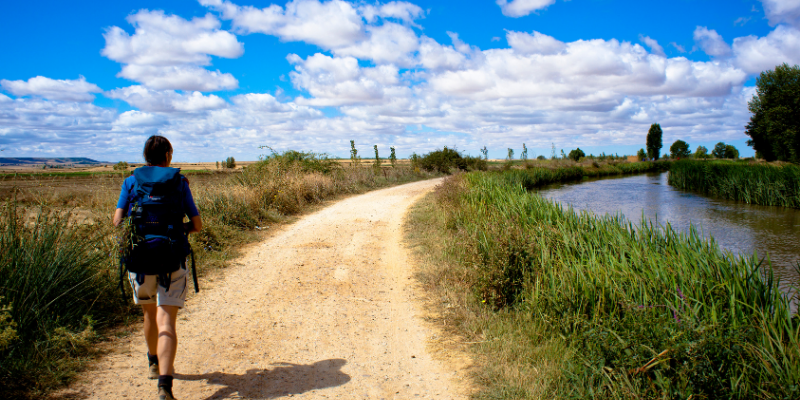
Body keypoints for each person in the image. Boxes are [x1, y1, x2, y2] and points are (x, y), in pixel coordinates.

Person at [113, 135, 202, 400]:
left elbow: (117, 221)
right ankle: (165, 385)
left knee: (149, 316)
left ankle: (153, 363)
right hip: (172, 258)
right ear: (168, 156)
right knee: (168, 321)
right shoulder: (179, 181)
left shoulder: (130, 182)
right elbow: (197, 225)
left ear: (145, 157)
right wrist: (177, 229)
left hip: (140, 261)